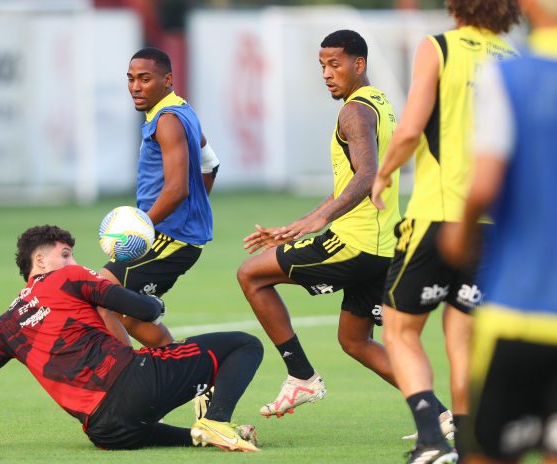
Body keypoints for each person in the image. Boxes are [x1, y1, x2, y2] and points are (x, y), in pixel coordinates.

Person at [236, 30, 449, 424]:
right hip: (383, 245)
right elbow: (354, 180)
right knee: (355, 341)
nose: (327, 74)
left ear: (359, 64)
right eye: (322, 66)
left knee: (250, 275)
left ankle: (301, 375)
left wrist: (318, 220)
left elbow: (366, 176)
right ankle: (439, 416)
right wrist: (301, 223)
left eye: (335, 64)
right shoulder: (379, 102)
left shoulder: (353, 111)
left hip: (354, 243)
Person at [0, 225, 263, 452]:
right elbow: (142, 309)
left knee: (151, 431)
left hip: (106, 433)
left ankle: (205, 436)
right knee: (244, 345)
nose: (73, 262)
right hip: (134, 384)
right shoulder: (68, 277)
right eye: (65, 254)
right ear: (40, 261)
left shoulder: (4, 324)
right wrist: (156, 305)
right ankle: (217, 419)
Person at [370, 1, 519, 462]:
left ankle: (432, 443)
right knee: (464, 340)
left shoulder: (438, 47)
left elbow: (412, 127)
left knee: (400, 331)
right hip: (492, 226)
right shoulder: (515, 60)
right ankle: (472, 444)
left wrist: (384, 173)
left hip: (438, 215)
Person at [437, 0, 557, 461]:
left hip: (521, 309)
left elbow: (484, 183)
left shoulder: (507, 76)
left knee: (485, 451)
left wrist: (460, 234)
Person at [98, 47, 219, 348]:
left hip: (171, 238)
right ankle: (195, 379)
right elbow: (211, 163)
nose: (136, 87)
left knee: (99, 293)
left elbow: (177, 189)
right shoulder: (181, 110)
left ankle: (125, 377)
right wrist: (195, 210)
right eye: (131, 79)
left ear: (167, 79)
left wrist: (139, 228)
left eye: (145, 79)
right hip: (171, 234)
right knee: (127, 313)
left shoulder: (167, 121)